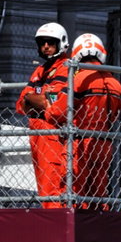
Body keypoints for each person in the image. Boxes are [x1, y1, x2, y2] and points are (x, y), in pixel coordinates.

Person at [44, 32, 121, 205]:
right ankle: (98, 226)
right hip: (104, 143)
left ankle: (72, 226)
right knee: (98, 192)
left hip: (79, 143)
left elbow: (58, 113)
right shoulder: (116, 84)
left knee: (71, 191)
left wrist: (48, 108)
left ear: (77, 54)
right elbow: (116, 114)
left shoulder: (78, 79)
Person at [15, 22, 71, 208]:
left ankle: (57, 227)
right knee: (43, 188)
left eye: (50, 42)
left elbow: (52, 105)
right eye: (42, 43)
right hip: (38, 134)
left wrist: (33, 99)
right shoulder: (40, 71)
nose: (45, 46)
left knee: (53, 187)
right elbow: (22, 104)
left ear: (61, 43)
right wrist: (36, 99)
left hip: (53, 134)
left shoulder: (66, 68)